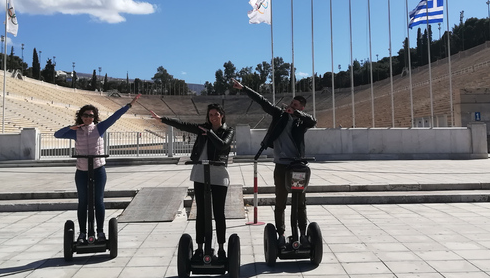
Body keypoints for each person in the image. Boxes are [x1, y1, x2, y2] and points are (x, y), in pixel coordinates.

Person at [232, 78, 317, 248]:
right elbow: (262, 102)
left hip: (297, 166)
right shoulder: (279, 115)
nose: (291, 106)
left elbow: (313, 121)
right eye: (291, 104)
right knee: (280, 201)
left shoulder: (301, 121)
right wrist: (244, 88)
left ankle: (303, 233)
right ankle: (281, 233)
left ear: (302, 108)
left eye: (296, 105)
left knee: (300, 202)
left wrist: (296, 114)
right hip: (282, 165)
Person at [150, 104, 235, 261]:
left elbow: (222, 145)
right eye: (210, 115)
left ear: (222, 115)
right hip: (200, 174)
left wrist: (209, 133)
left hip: (218, 175)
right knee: (202, 213)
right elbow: (184, 125)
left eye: (216, 114)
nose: (213, 117)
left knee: (218, 213)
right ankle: (200, 248)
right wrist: (162, 119)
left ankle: (222, 247)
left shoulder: (228, 131)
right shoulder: (203, 128)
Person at [55, 94, 140, 243]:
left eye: (91, 115)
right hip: (81, 170)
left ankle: (100, 232)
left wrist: (129, 105)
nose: (88, 118)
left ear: (94, 117)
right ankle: (82, 233)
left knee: (98, 200)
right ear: (81, 116)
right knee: (83, 201)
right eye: (85, 115)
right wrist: (70, 127)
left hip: (98, 169)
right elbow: (57, 134)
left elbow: (115, 116)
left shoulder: (99, 128)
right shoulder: (75, 131)